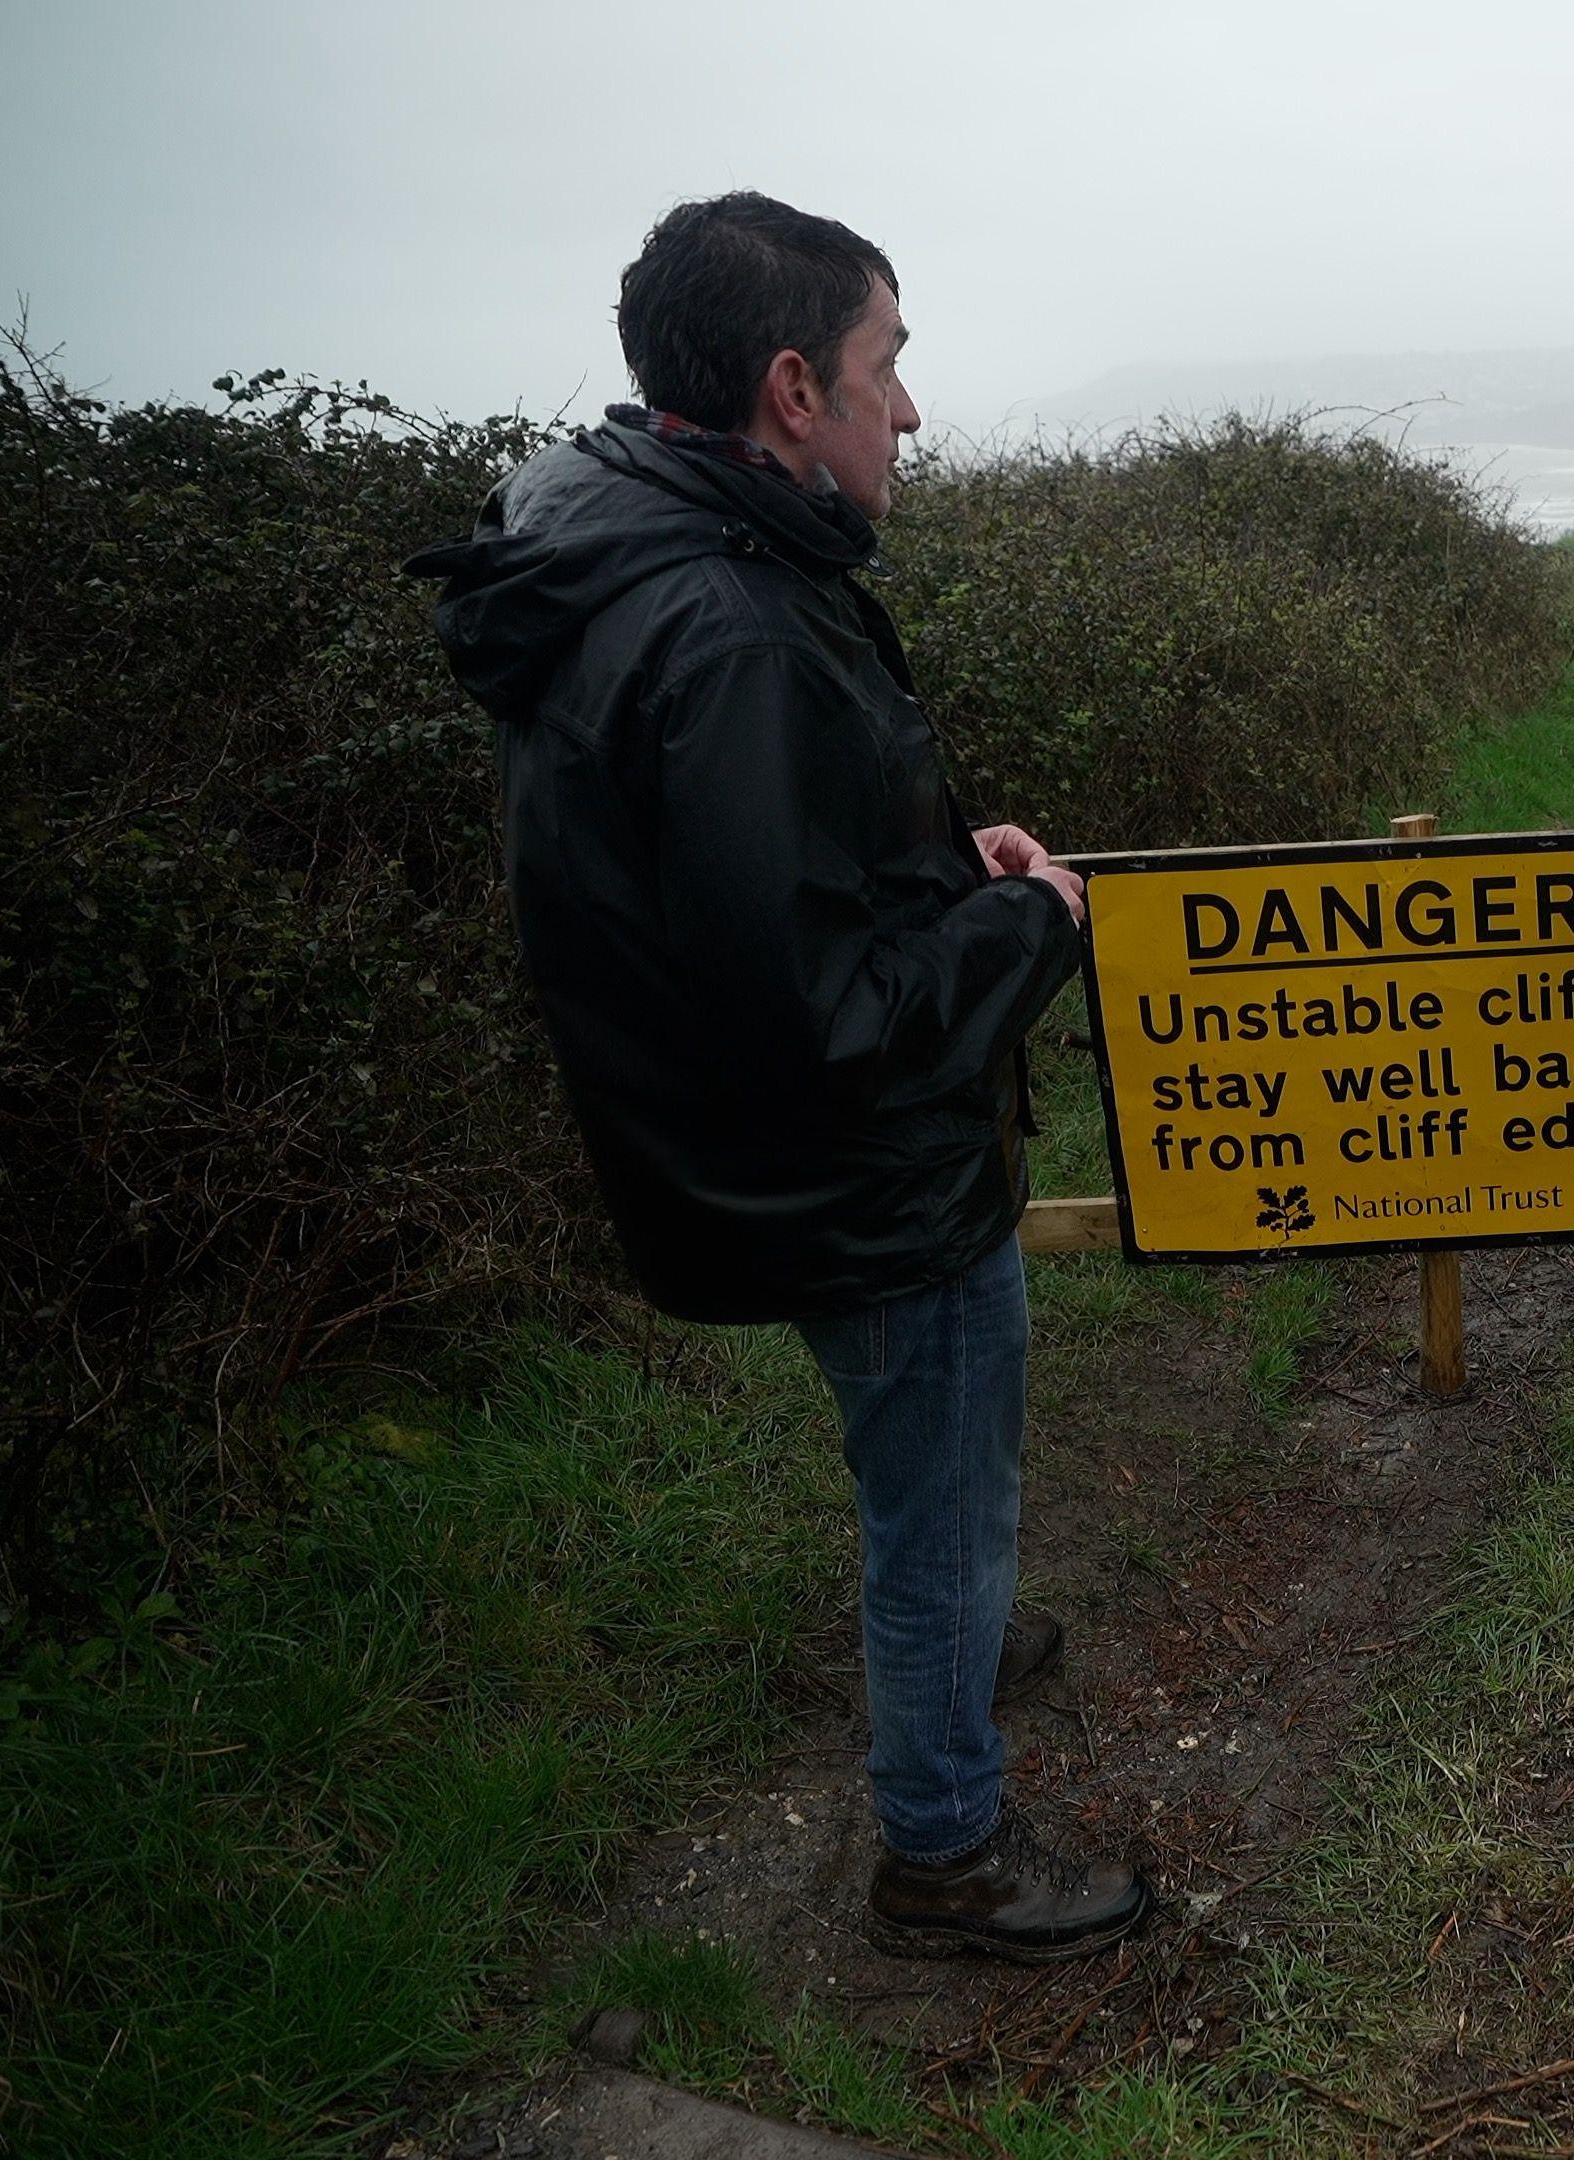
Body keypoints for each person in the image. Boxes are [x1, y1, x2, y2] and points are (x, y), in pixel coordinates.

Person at [411, 193, 1148, 1961]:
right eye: (890, 368)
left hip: (741, 1156)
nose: (912, 414)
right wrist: (1034, 920)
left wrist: (925, 863)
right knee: (940, 1499)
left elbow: (724, 894)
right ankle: (948, 1851)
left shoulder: (623, 545)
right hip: (857, 1182)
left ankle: (953, 1647)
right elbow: (823, 1015)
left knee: (926, 1477)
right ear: (792, 386)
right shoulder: (732, 626)